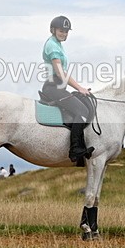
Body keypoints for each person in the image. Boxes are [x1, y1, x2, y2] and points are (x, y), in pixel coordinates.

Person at [41, 15, 94, 162]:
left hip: (59, 86)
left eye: (66, 31)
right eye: (61, 30)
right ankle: (75, 149)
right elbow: (60, 72)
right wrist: (80, 88)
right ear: (53, 30)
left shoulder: (58, 44)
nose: (64, 34)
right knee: (82, 111)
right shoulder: (52, 45)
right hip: (53, 87)